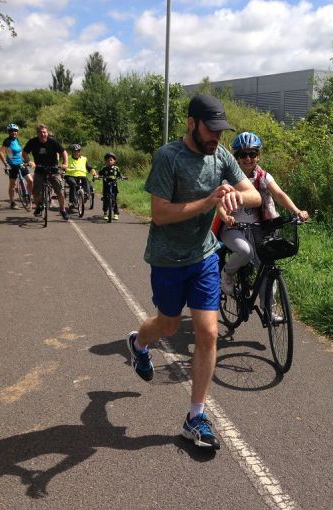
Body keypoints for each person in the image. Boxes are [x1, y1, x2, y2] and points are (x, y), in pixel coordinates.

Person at [126, 94, 261, 450]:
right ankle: (139, 343)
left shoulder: (221, 156)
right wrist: (210, 201)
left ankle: (195, 416)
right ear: (191, 123)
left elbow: (255, 196)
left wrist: (234, 194)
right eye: (210, 128)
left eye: (221, 130)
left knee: (208, 333)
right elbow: (160, 214)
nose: (217, 136)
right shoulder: (168, 157)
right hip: (168, 259)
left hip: (203, 257)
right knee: (167, 325)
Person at [217, 131, 309, 296]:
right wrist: (226, 217)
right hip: (233, 229)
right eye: (243, 154)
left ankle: (270, 312)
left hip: (259, 230)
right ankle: (227, 274)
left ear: (258, 156)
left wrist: (296, 211)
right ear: (236, 157)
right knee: (245, 251)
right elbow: (221, 204)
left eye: (252, 154)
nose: (248, 158)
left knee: (268, 268)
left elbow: (279, 194)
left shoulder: (264, 177)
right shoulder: (228, 179)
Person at [21, 124, 69, 220]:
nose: (43, 134)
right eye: (41, 132)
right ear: (37, 133)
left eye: (44, 132)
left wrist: (65, 163)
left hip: (53, 169)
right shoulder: (33, 142)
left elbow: (63, 152)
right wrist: (29, 161)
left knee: (60, 191)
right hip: (39, 169)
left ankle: (62, 209)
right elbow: (24, 153)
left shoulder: (53, 142)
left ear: (47, 133)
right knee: (35, 191)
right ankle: (38, 206)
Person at [0, 123, 33, 209]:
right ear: (9, 132)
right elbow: (0, 152)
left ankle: (28, 196)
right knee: (12, 185)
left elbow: (19, 152)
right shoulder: (7, 141)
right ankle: (12, 202)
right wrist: (6, 164)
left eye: (15, 131)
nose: (14, 132)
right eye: (12, 131)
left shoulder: (17, 140)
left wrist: (26, 161)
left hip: (20, 163)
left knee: (30, 180)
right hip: (12, 165)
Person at [65, 144, 97, 210]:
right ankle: (72, 202)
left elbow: (90, 168)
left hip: (81, 176)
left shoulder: (84, 159)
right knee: (73, 184)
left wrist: (94, 174)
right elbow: (64, 166)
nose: (76, 153)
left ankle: (86, 195)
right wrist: (62, 170)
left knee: (86, 181)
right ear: (72, 152)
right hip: (70, 176)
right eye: (75, 151)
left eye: (78, 151)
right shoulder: (68, 158)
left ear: (80, 152)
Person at [98, 152, 122, 221]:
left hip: (114, 185)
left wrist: (122, 177)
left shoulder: (116, 168)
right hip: (106, 185)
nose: (109, 161)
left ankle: (116, 213)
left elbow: (119, 175)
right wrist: (97, 176)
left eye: (111, 160)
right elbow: (99, 174)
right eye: (108, 160)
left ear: (114, 161)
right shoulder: (104, 168)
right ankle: (105, 213)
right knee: (106, 199)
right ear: (106, 161)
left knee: (114, 199)